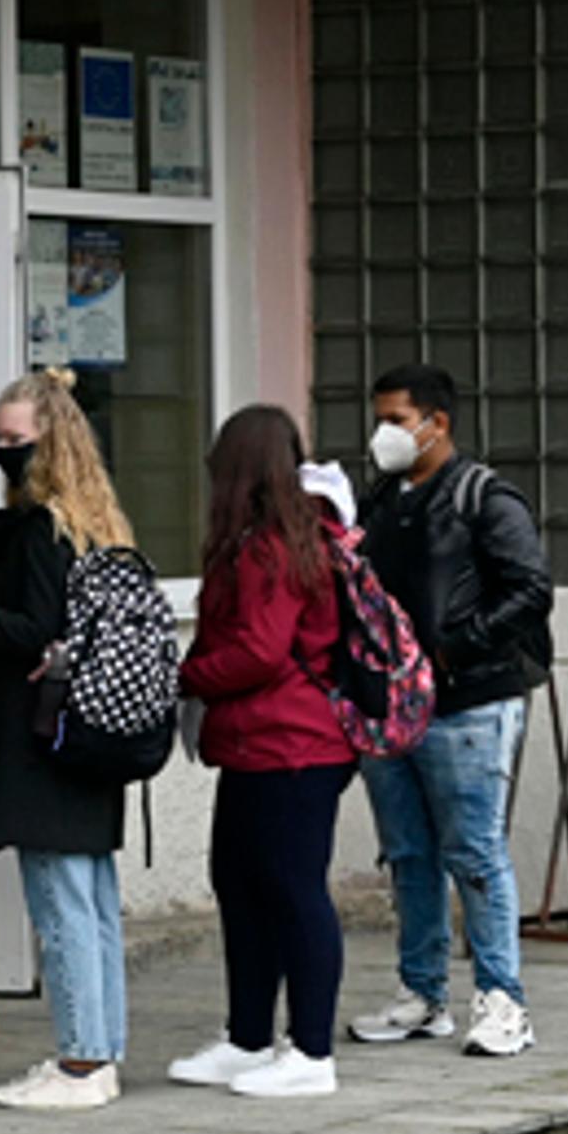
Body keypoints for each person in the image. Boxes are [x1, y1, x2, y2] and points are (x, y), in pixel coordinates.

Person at [0, 371, 132, 1111]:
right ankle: (102, 1050)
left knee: (61, 903)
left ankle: (80, 1063)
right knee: (93, 901)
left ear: (49, 441)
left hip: (42, 734)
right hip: (95, 731)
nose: (4, 453)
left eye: (15, 439)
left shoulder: (27, 526)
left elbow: (34, 629)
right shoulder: (95, 520)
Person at [349, 364, 552, 1059]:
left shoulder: (484, 497)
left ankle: (503, 1000)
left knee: (473, 851)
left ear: (438, 423)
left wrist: (455, 646)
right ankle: (422, 992)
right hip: (392, 704)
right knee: (409, 853)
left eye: (397, 420)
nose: (383, 434)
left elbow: (531, 589)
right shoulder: (381, 501)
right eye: (380, 419)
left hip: (470, 701)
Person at [168, 408, 361, 1099]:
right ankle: (247, 1038)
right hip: (268, 746)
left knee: (293, 892)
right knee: (244, 886)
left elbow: (258, 652)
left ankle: (310, 1052)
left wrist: (183, 677)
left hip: (291, 746)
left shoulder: (270, 549)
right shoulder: (287, 538)